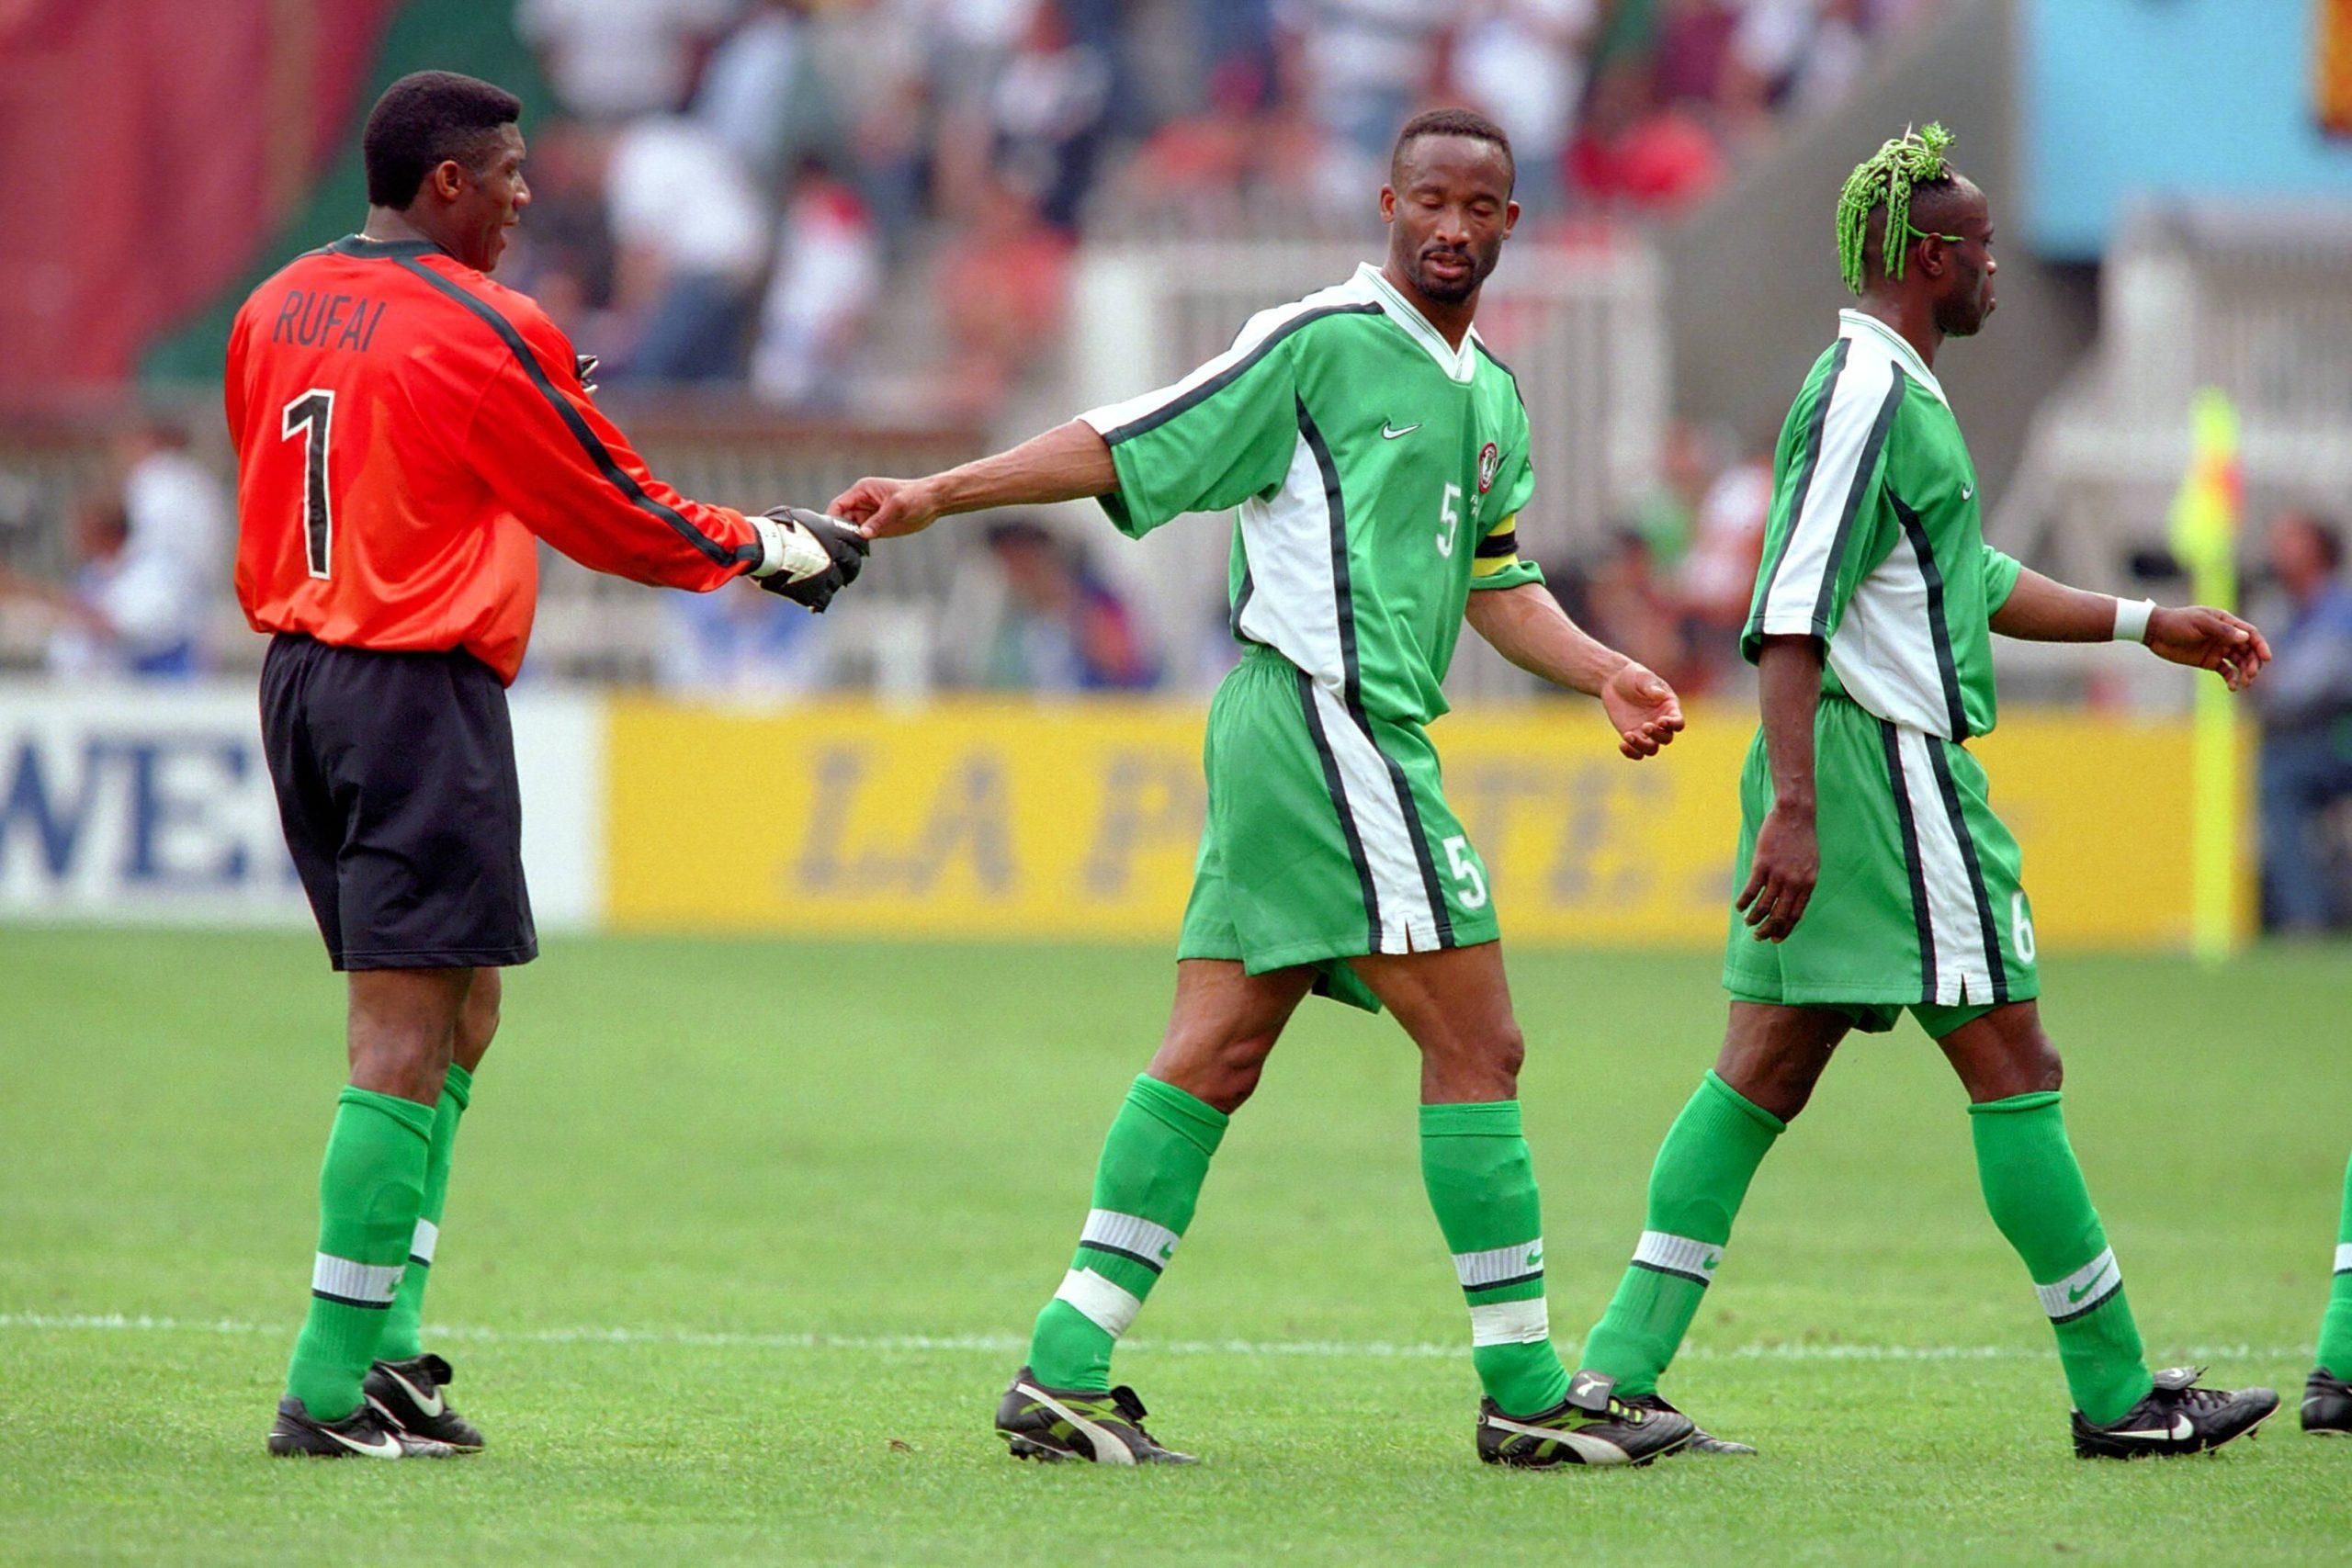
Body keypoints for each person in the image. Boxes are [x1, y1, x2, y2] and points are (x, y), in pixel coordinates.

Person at [832, 107, 1694, 1469]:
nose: (1452, 226)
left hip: (1313, 732)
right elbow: (1129, 439)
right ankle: (1526, 1383)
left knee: (1218, 1049)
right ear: (1386, 204)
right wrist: (946, 490)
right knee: (1481, 1042)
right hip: (1322, 720)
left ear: (1512, 224)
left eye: (1480, 205)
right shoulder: (1319, 345)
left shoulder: (1493, 395)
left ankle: (1064, 1365)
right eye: (1430, 200)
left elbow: (1493, 578)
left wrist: (1600, 670)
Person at [1567, 123, 2281, 1461]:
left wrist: (2145, 621)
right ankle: (2120, 1392)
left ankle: (1612, 1378)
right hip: (1880, 767)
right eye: (1985, 247)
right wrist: (1798, 803)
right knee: (2017, 1061)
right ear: (1927, 258)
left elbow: (1964, 579)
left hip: (1841, 762)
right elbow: (1791, 611)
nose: (1999, 268)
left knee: (1763, 1069)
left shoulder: (1890, 389)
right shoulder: (1866, 396)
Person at [226, 70, 865, 1461]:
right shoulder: (484, 322)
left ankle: (387, 1347)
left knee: (462, 1011)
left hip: (304, 676)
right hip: (410, 684)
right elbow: (608, 504)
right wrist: (767, 546)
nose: (527, 195)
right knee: (400, 1036)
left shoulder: (271, 305)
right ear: (445, 182)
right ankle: (328, 1381)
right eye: (508, 173)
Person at [2251, 511, 2352, 932]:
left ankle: (2305, 917)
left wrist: (2260, 677)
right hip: (2318, 740)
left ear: (2318, 550)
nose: (2277, 549)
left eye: (2290, 539)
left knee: (2279, 780)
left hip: (2337, 740)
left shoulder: (2337, 609)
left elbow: (2306, 685)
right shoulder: (2287, 611)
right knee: (2277, 771)